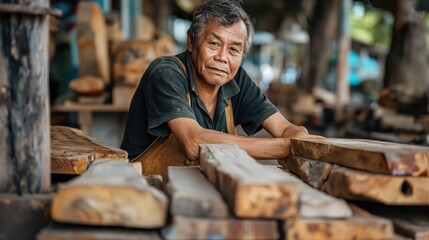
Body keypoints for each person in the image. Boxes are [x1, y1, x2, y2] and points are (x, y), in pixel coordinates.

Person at [121, 0, 320, 182]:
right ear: (191, 41)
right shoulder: (165, 73)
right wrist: (283, 147)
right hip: (148, 194)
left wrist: (298, 136)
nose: (222, 57)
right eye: (214, 44)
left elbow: (284, 128)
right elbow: (192, 142)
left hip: (201, 193)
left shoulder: (236, 79)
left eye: (234, 49)